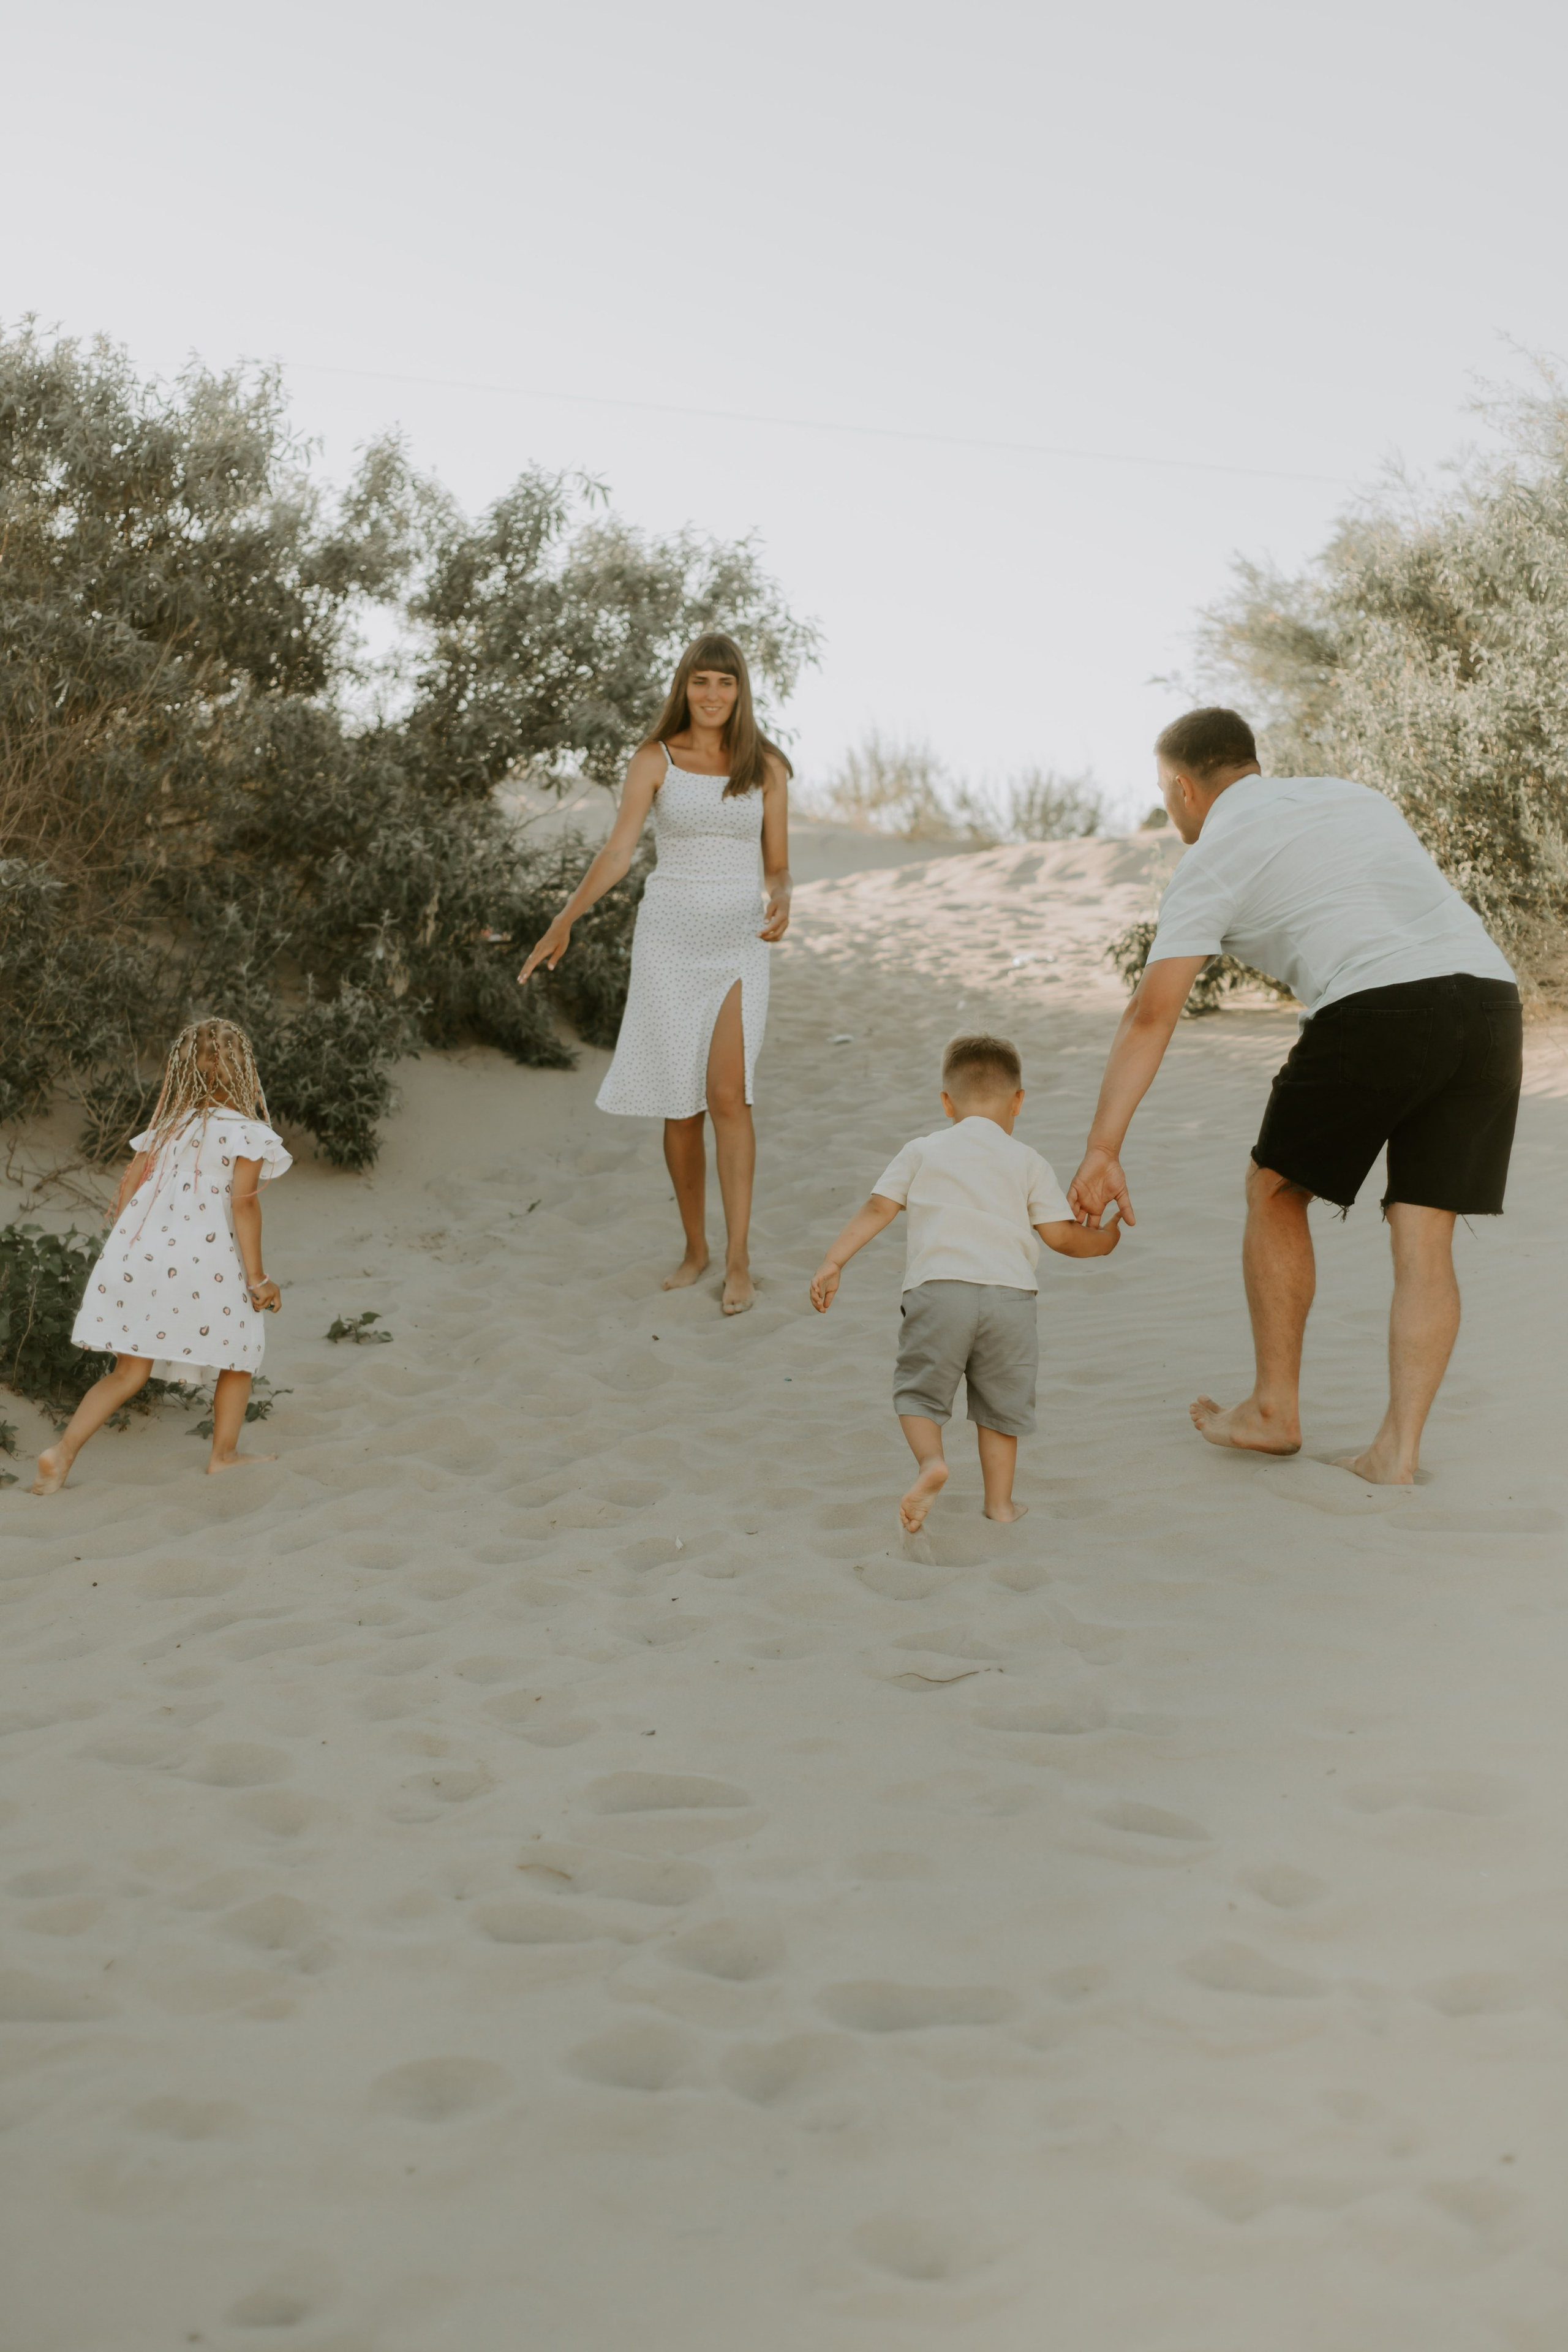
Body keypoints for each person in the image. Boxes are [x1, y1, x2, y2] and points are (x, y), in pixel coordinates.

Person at [1066, 707, 1521, 1486]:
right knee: (1423, 1231)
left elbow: (1151, 1013)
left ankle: (1274, 1409)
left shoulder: (1214, 853)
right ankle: (1397, 1453)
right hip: (1489, 1002)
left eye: (1162, 791)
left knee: (1274, 1186)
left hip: (1379, 1006)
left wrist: (1102, 1147)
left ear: (1183, 787)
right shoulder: (1352, 797)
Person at [518, 633, 791, 1316]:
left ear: (740, 690)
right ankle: (694, 1247)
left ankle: (736, 1261)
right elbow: (617, 853)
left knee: (730, 1095)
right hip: (669, 941)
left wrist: (784, 896)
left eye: (725, 683)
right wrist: (566, 919)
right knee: (681, 1105)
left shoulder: (767, 766)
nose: (712, 695)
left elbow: (777, 863)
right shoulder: (656, 759)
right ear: (684, 687)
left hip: (736, 943)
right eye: (701, 682)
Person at [810, 1033, 1121, 1534]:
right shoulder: (1028, 1160)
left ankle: (932, 1463)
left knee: (918, 1396)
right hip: (1011, 1299)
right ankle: (1000, 1506)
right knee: (1001, 1409)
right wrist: (1104, 1241)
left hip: (939, 1291)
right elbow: (1062, 1237)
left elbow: (878, 1208)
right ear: (1018, 1101)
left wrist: (834, 1261)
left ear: (946, 1102)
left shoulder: (921, 1150)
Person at [32, 1019, 289, 1494]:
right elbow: (244, 1203)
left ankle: (61, 1453)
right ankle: (224, 1455)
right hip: (203, 1262)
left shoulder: (169, 1127)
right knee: (239, 1352)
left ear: (183, 1072)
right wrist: (257, 1279)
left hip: (139, 1255)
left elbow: (130, 1191)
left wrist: (136, 1247)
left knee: (129, 1371)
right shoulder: (246, 1134)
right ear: (246, 1071)